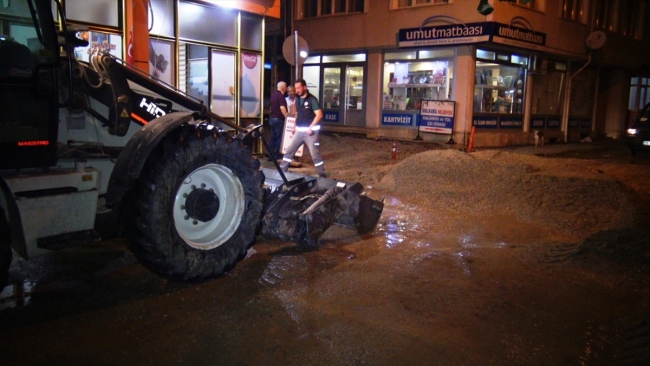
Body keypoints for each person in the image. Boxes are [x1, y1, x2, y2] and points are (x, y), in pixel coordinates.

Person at [280, 78, 326, 178]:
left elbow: (319, 115)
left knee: (315, 154)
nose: (297, 90)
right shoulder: (297, 99)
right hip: (299, 132)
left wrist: (310, 127)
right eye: (296, 88)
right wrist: (294, 126)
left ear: (304, 87)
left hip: (311, 133)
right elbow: (297, 113)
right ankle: (282, 170)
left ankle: (322, 173)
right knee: (289, 150)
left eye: (299, 88)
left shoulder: (312, 100)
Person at [268, 81, 287, 161]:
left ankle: (270, 155)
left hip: (272, 119)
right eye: (286, 87)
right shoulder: (280, 96)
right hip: (279, 120)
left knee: (273, 137)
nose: (286, 89)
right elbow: (282, 108)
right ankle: (277, 155)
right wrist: (287, 117)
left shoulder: (273, 95)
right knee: (279, 138)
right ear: (283, 88)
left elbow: (270, 108)